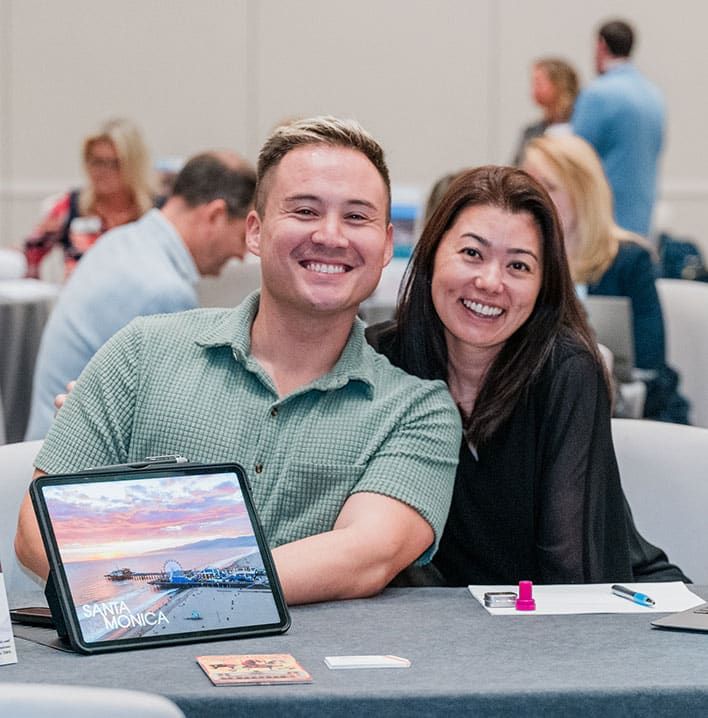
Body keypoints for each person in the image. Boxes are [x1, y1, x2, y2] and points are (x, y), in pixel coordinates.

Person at [15, 116, 461, 605]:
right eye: (305, 210)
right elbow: (38, 534)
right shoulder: (141, 352)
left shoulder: (418, 411)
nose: (331, 235)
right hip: (128, 671)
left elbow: (362, 559)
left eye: (357, 217)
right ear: (254, 231)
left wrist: (153, 573)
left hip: (313, 677)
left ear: (384, 246)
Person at [367, 165, 687, 585]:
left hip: (605, 607)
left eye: (518, 266)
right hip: (447, 623)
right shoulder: (380, 358)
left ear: (543, 286)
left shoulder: (567, 370)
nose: (490, 282)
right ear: (431, 255)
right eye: (471, 254)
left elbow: (574, 575)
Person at [24, 152, 257, 441]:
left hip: (45, 444)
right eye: (242, 236)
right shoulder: (163, 289)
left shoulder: (121, 241)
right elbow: (173, 423)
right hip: (73, 462)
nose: (242, 253)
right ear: (216, 215)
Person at [522, 134, 689, 424]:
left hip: (630, 418)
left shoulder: (629, 261)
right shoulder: (518, 261)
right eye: (528, 185)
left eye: (548, 187)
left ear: (582, 193)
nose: (534, 199)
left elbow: (650, 368)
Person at [23, 117, 154, 279]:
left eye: (114, 164)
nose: (103, 172)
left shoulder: (156, 211)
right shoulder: (70, 204)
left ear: (133, 165)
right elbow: (31, 251)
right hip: (81, 298)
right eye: (97, 162)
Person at [572, 19, 665, 237]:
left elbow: (574, 160)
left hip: (604, 222)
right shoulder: (654, 96)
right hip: (642, 220)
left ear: (601, 46)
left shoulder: (598, 93)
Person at [511, 58, 579, 166]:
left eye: (538, 83)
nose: (533, 89)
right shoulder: (531, 131)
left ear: (559, 84)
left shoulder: (580, 128)